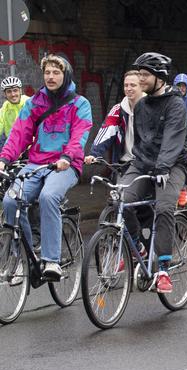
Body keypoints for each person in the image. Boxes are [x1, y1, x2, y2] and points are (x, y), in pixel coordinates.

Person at [0, 54, 92, 281]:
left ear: (65, 74)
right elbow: (18, 135)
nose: (50, 77)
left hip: (65, 165)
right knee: (11, 200)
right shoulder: (34, 103)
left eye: (56, 73)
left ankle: (52, 261)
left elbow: (80, 135)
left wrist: (68, 157)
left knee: (48, 197)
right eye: (47, 73)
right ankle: (25, 255)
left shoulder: (80, 103)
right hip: (36, 163)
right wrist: (4, 159)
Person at [119, 52, 187, 293]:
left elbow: (173, 140)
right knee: (122, 199)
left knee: (163, 208)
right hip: (144, 163)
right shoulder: (141, 105)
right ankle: (138, 245)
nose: (140, 80)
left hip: (173, 165)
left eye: (145, 75)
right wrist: (132, 165)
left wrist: (162, 166)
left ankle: (163, 270)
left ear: (159, 77)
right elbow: (140, 141)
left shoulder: (176, 104)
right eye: (139, 74)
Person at [87, 70, 146, 164]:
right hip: (124, 163)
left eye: (133, 85)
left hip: (148, 163)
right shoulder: (119, 109)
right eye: (126, 85)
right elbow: (107, 129)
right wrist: (94, 153)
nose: (128, 88)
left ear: (142, 87)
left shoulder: (152, 107)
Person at [0, 76, 27, 148]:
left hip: (29, 143)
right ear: (5, 94)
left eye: (15, 90)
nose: (13, 94)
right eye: (9, 91)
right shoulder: (5, 107)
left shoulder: (29, 103)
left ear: (20, 91)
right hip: (11, 144)